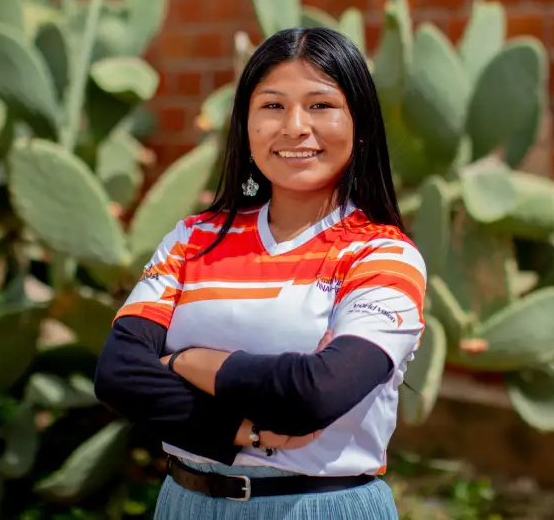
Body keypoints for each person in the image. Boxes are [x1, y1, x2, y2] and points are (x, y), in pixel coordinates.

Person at [94, 26, 427, 519]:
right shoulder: (192, 240)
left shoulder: (381, 255)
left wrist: (185, 360)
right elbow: (119, 374)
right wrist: (240, 430)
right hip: (184, 506)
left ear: (360, 124)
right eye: (272, 106)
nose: (294, 126)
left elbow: (315, 393)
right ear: (245, 126)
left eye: (320, 105)